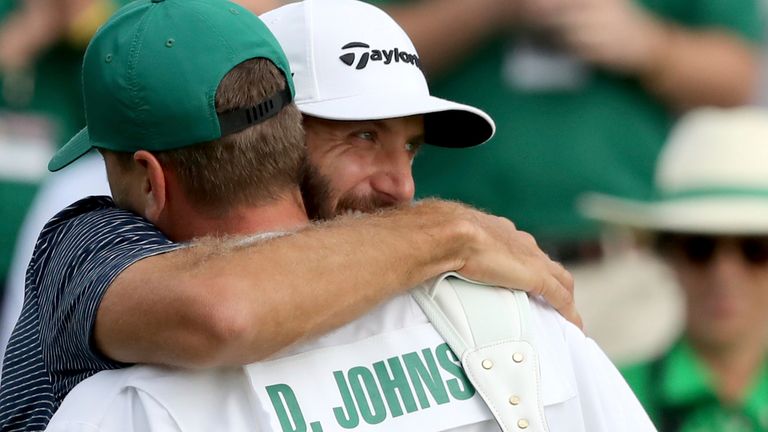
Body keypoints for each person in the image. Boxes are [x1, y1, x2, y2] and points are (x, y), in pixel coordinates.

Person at [45, 1, 655, 431]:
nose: (402, 188)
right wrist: (450, 231)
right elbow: (223, 310)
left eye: (412, 146)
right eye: (363, 137)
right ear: (276, 134)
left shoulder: (496, 309)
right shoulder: (95, 239)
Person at [582, 107, 768, 431]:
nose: (724, 273)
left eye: (755, 250)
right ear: (667, 255)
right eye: (700, 248)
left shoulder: (613, 393)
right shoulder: (610, 396)